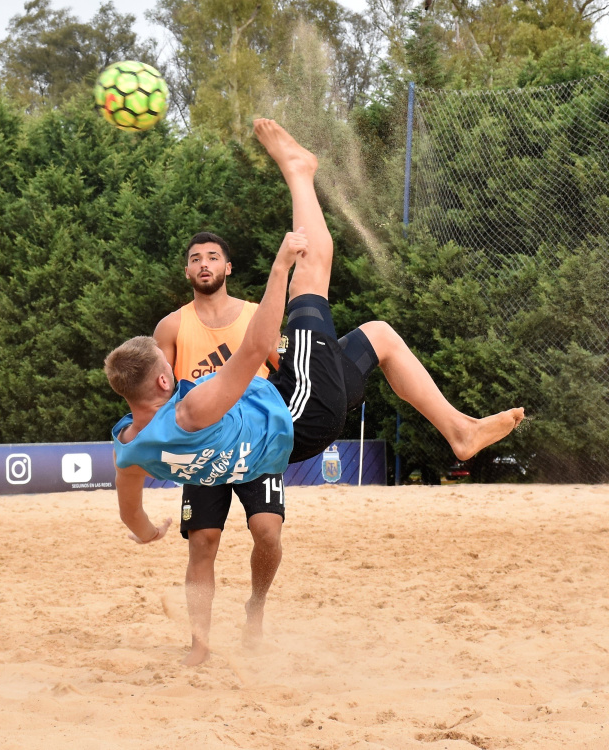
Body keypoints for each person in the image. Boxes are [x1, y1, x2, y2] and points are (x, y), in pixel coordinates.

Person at [105, 119, 525, 664]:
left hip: (282, 415)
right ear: (166, 379)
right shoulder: (193, 406)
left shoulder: (130, 449)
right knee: (310, 272)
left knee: (378, 337)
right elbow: (255, 351)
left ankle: (458, 430)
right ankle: (298, 171)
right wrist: (279, 267)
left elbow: (132, 516)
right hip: (295, 413)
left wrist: (147, 531)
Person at [153, 232, 285, 665]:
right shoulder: (171, 326)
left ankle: (256, 605)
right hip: (203, 448)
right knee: (203, 541)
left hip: (257, 441)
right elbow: (158, 391)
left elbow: (286, 366)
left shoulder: (256, 315)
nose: (204, 264)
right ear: (187, 271)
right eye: (195, 259)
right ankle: (200, 644)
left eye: (213, 257)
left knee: (268, 532)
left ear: (228, 268)